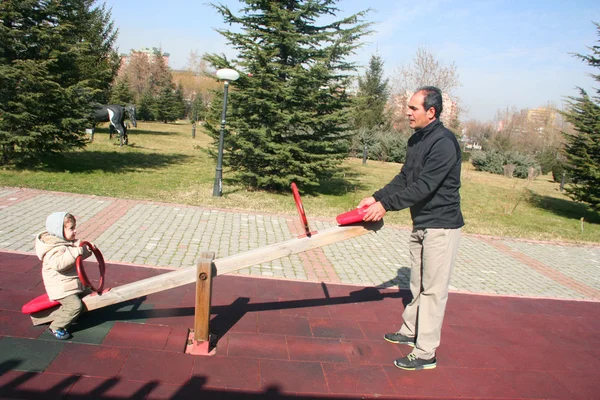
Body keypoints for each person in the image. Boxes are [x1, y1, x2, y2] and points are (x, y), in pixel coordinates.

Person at [358, 86, 464, 371]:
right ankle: (410, 332)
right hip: (422, 224)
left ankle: (426, 352)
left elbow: (424, 187)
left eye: (413, 108)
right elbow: (405, 177)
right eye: (409, 107)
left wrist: (386, 206)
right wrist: (378, 196)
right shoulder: (417, 140)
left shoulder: (443, 142)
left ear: (431, 112)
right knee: (417, 283)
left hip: (441, 226)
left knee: (433, 291)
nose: (408, 112)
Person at [35, 212, 93, 340]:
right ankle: (56, 326)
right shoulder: (53, 249)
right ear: (60, 231)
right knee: (75, 306)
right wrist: (77, 251)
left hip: (71, 284)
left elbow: (75, 257)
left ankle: (78, 313)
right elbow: (59, 264)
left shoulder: (67, 243)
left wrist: (87, 250)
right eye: (71, 228)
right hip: (61, 289)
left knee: (91, 293)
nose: (75, 230)